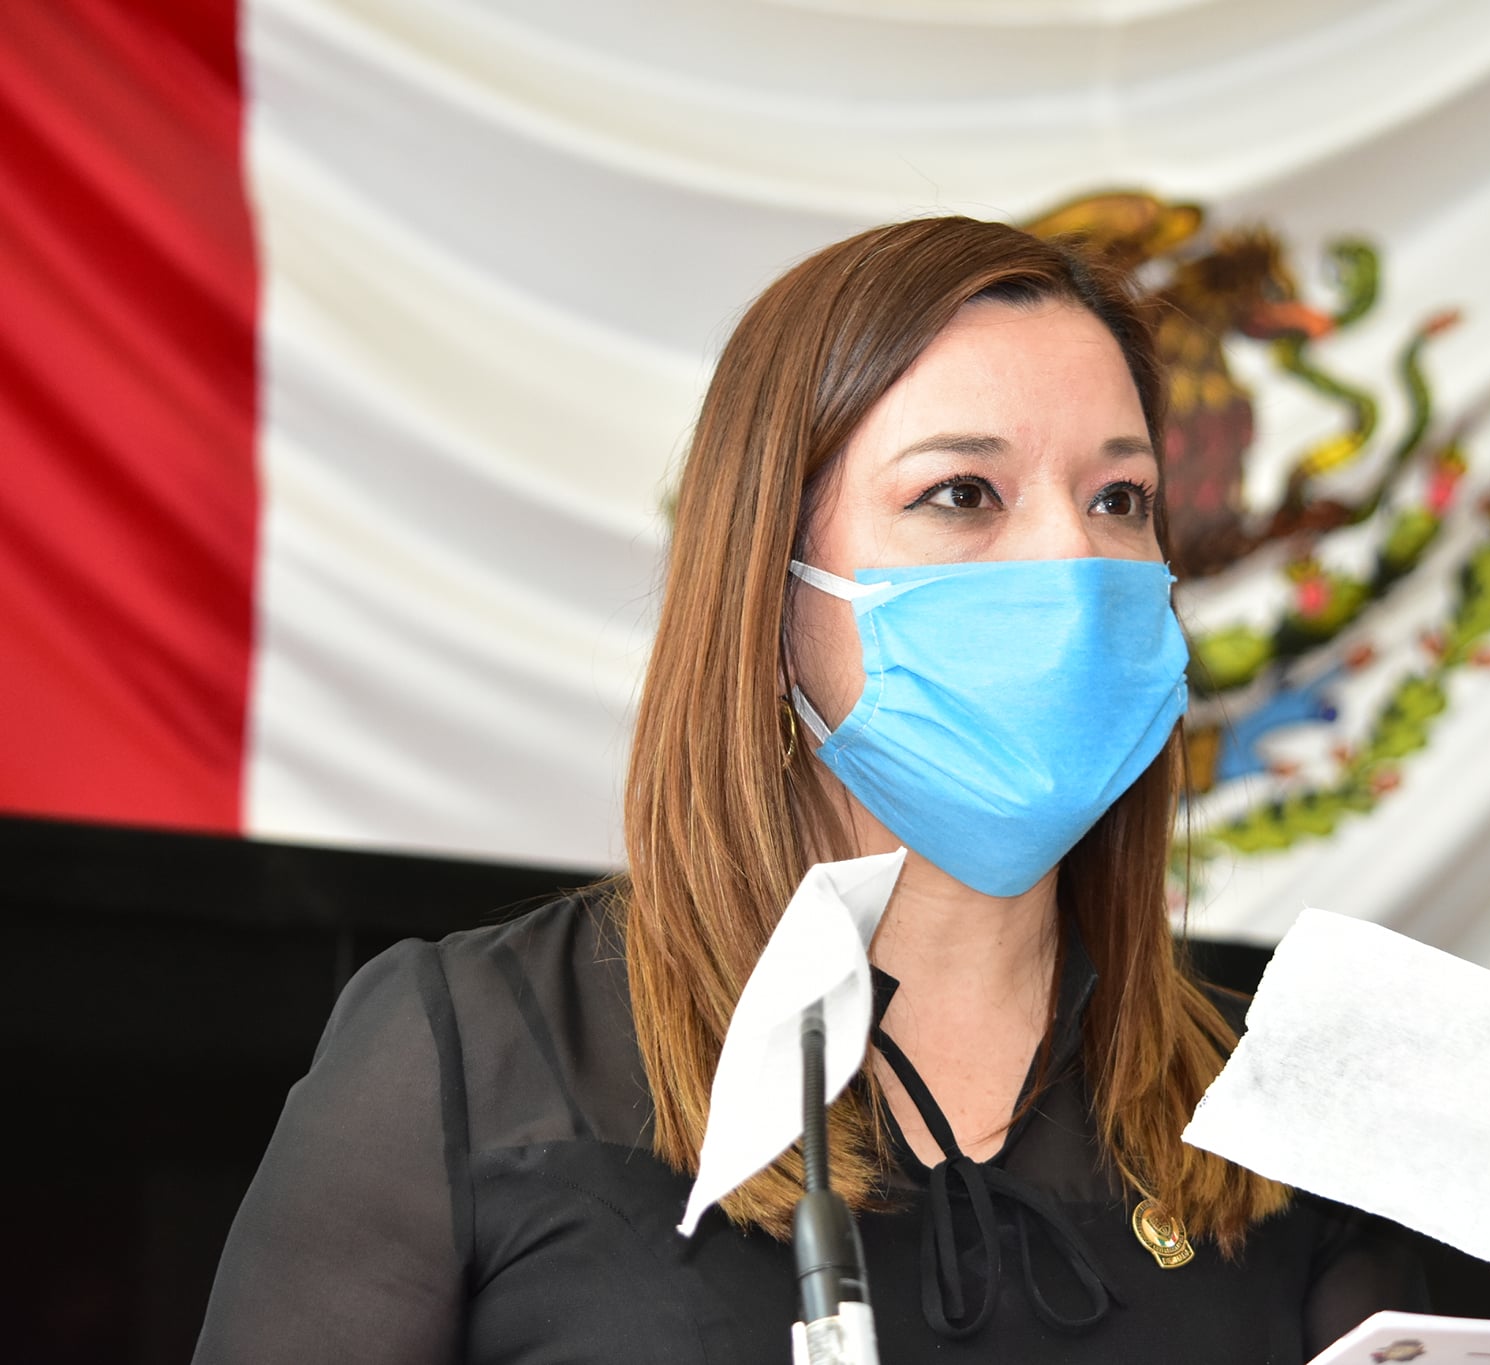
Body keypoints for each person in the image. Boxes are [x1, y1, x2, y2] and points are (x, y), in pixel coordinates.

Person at [193, 216, 1425, 1364]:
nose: (1071, 560)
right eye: (962, 495)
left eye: (1119, 499)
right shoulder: (472, 1054)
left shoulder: (1284, 1116)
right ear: (772, 588)